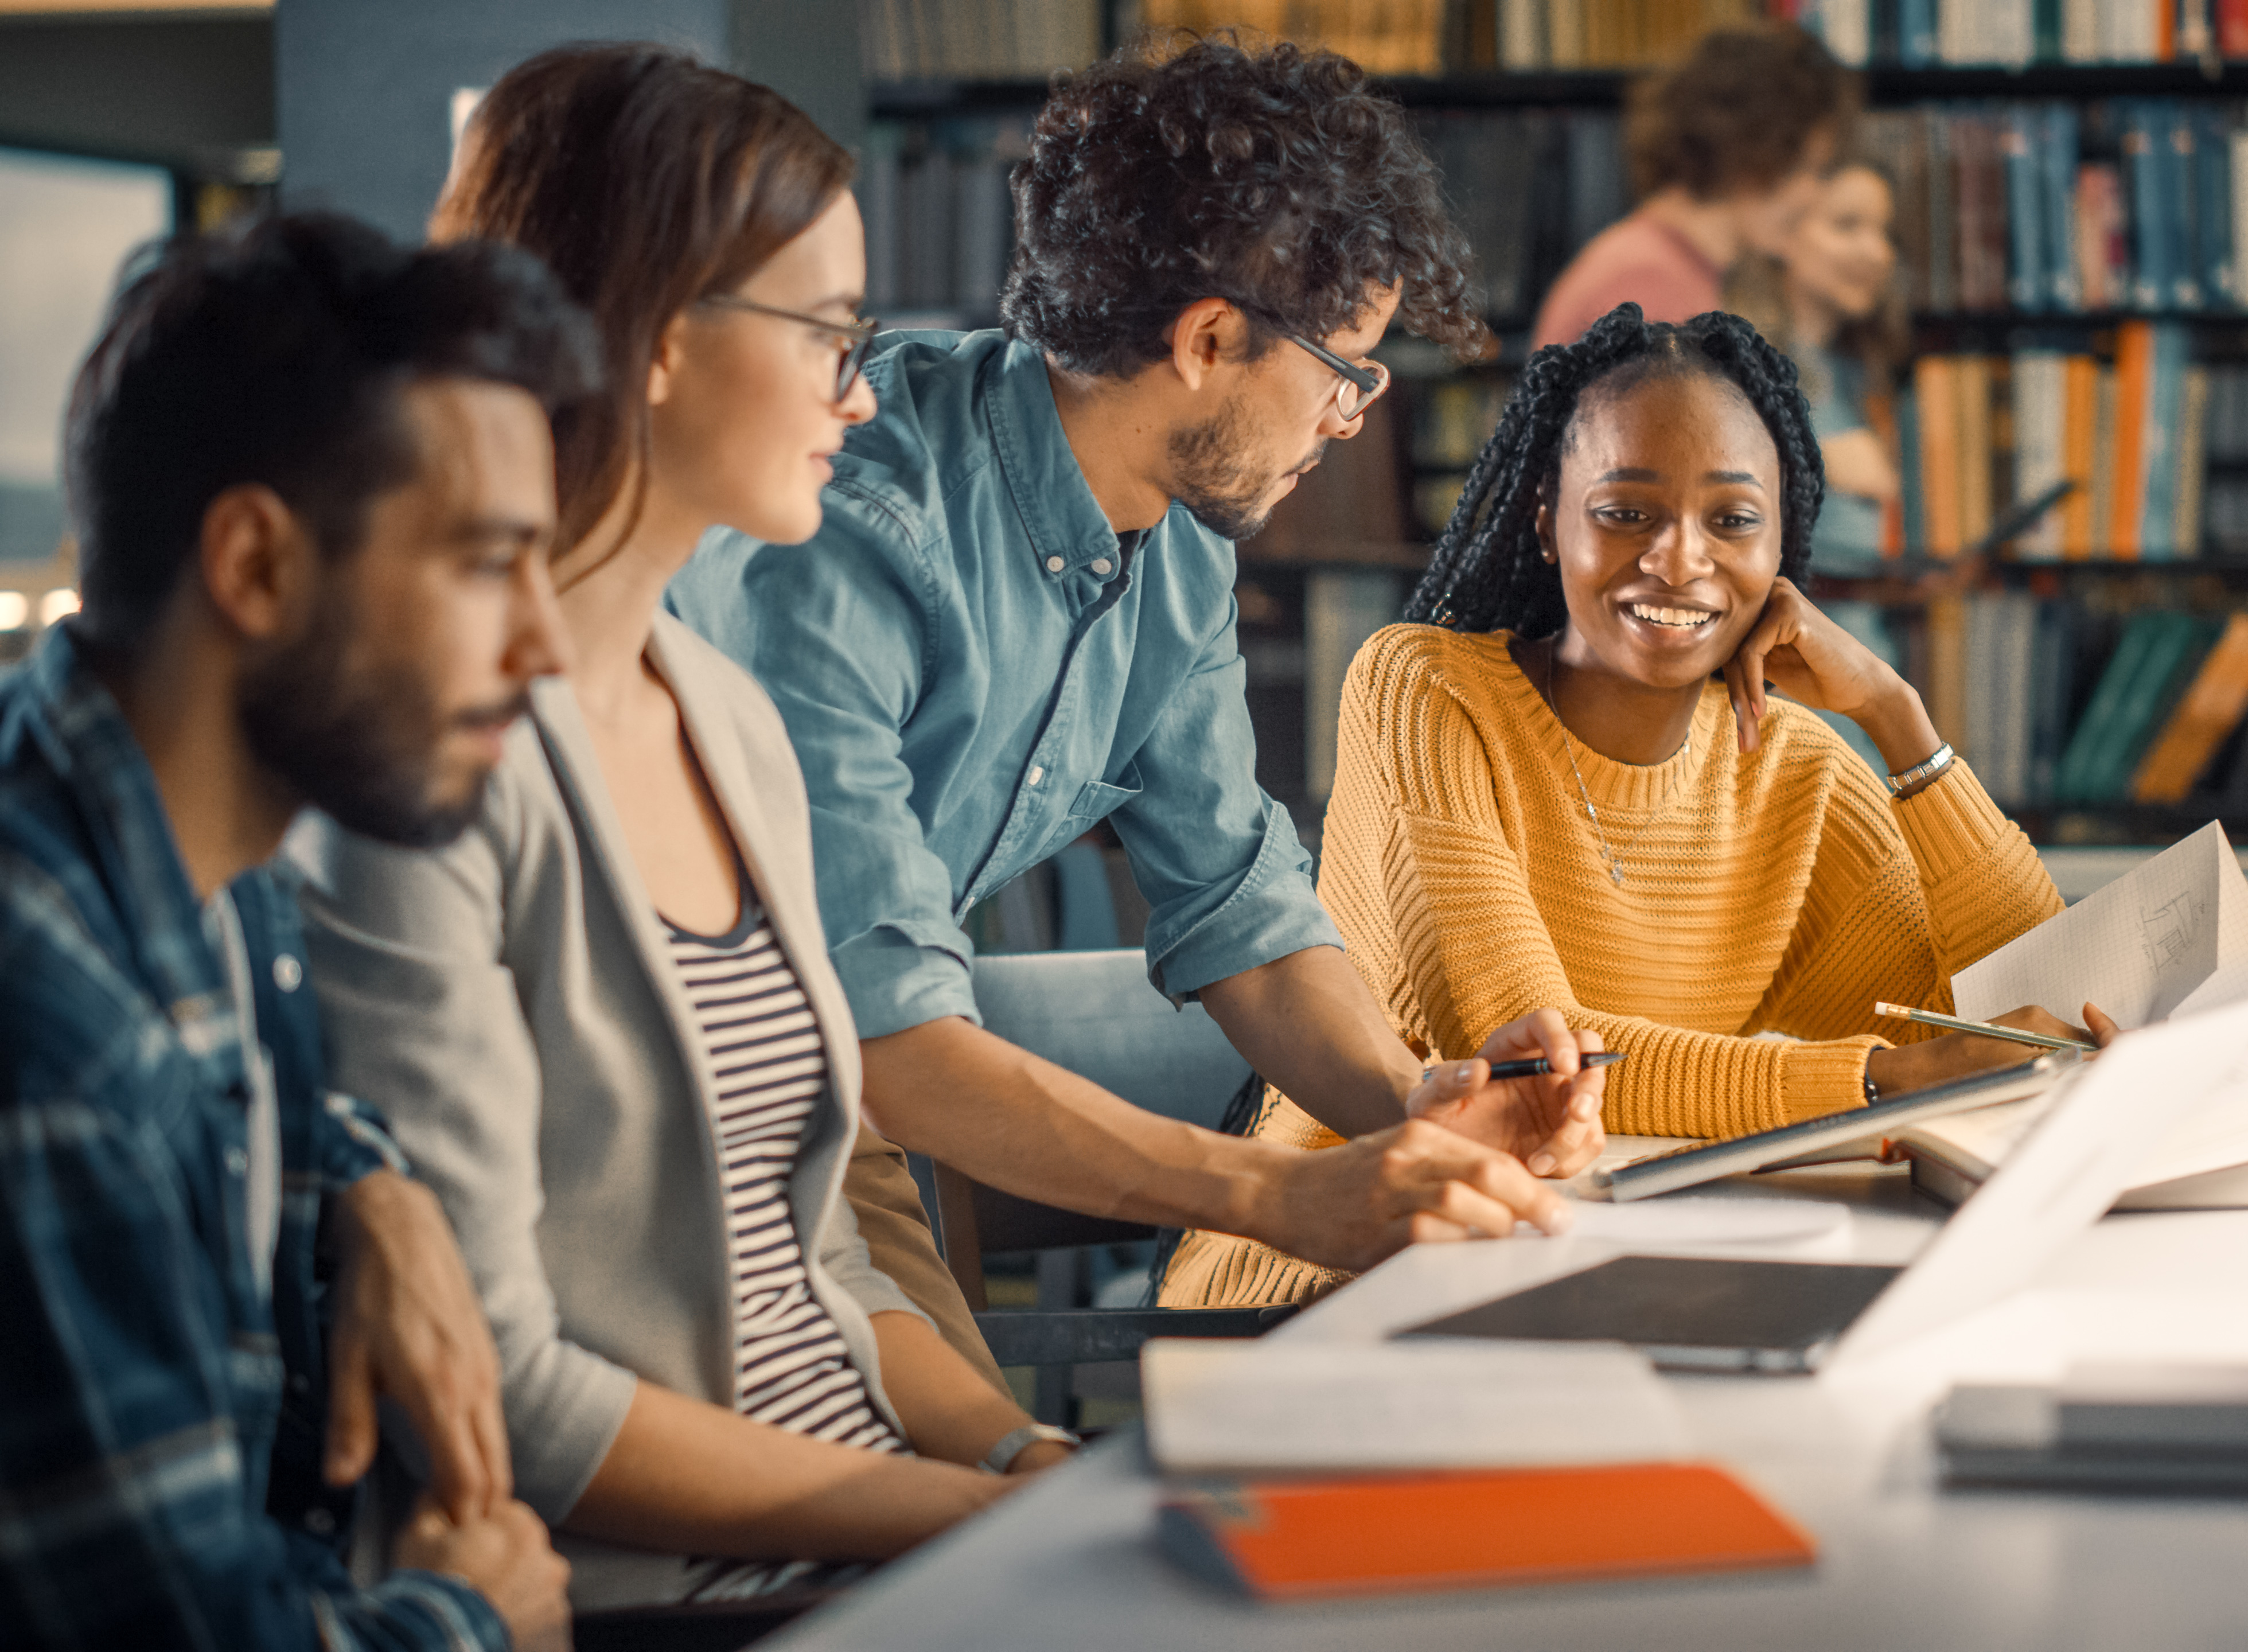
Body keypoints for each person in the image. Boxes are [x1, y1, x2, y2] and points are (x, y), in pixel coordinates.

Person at [291, 47, 1072, 1610]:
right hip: (678, 1595)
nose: (864, 391)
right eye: (832, 335)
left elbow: (821, 1267)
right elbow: (505, 1383)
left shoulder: (728, 717)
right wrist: (953, 1519)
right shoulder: (426, 771)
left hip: (876, 1541)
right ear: (655, 337)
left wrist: (1013, 1460)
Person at [666, 34, 1606, 1294]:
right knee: (988, 1481)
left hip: (841, 1105)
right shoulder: (851, 531)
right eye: (1344, 373)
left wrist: (1419, 1108)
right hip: (672, 1113)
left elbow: (1245, 918)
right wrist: (1282, 1195)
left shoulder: (1174, 555)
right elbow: (884, 1036)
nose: (1349, 420)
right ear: (1210, 339)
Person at [1162, 307, 2116, 1308]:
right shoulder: (1427, 695)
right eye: (1627, 511)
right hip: (1341, 1269)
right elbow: (1540, 1061)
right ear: (1546, 516)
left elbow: (2009, 1024)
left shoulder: (1798, 769)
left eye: (1734, 520)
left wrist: (1899, 714)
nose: (1679, 559)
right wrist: (1876, 1085)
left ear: (1784, 543)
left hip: (1602, 1258)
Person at [1, 214, 581, 1649]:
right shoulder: (47, 1034)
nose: (545, 644)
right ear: (256, 566)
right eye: (485, 563)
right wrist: (471, 1616)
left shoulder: (204, 844)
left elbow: (274, 1107)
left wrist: (366, 1188)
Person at [1725, 156, 1912, 770]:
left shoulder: (1856, 373)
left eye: (1884, 233)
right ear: (1781, 235)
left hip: (1859, 636)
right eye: (1847, 225)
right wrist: (1823, 460)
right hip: (1785, 667)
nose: (1875, 252)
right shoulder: (1740, 363)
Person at [1529, 25, 1859, 349]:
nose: (1814, 195)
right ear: (1748, 147)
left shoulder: (1666, 266)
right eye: (1805, 169)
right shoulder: (1649, 283)